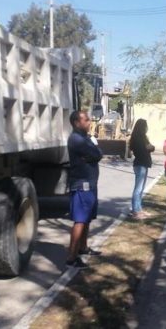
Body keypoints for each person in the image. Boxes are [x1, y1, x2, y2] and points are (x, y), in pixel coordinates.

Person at [66, 111, 103, 269]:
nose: (89, 122)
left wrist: (94, 153)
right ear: (76, 122)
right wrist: (94, 153)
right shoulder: (77, 139)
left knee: (87, 218)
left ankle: (83, 248)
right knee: (80, 220)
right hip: (82, 184)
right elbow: (97, 153)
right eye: (86, 120)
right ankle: (71, 259)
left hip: (90, 183)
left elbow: (98, 154)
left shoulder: (85, 138)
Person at [129, 119, 155, 220]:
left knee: (140, 189)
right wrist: (150, 147)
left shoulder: (139, 137)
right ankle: (135, 211)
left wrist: (150, 147)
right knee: (138, 189)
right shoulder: (139, 139)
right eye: (145, 126)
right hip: (141, 164)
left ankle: (138, 209)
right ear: (142, 127)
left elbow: (150, 147)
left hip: (142, 164)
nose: (146, 128)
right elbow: (150, 148)